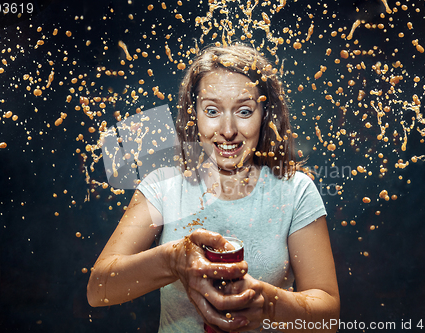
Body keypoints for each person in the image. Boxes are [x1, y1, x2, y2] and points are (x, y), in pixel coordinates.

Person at [87, 44, 340, 333]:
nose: (228, 129)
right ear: (193, 113)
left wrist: (266, 304)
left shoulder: (295, 191)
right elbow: (98, 288)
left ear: (265, 114)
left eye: (244, 111)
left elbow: (328, 317)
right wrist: (172, 260)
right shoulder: (164, 186)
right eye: (212, 110)